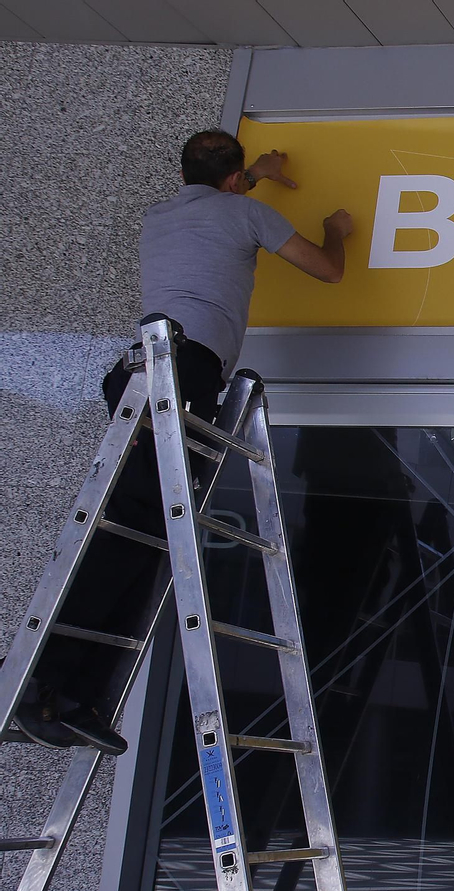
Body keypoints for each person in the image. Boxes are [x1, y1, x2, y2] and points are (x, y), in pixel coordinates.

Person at [14, 128, 355, 753]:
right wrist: (337, 228)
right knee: (133, 537)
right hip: (184, 373)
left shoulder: (166, 212)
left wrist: (258, 170)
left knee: (143, 537)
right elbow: (328, 269)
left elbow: (221, 193)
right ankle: (49, 690)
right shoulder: (247, 211)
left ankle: (76, 695)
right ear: (233, 179)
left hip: (141, 371)